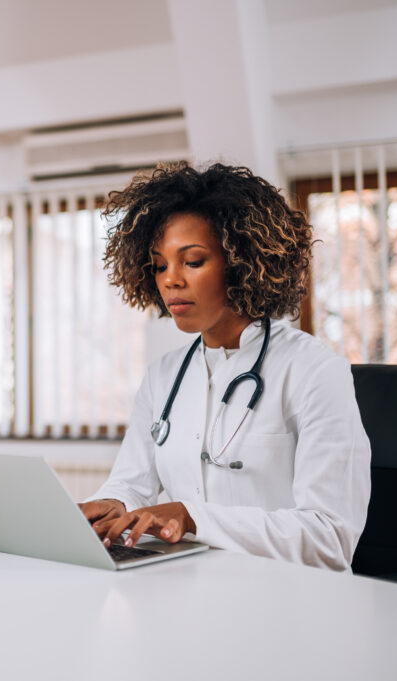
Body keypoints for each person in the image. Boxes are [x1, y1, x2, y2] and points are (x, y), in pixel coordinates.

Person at [79, 162, 371, 571]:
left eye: (193, 261)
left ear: (242, 263)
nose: (170, 280)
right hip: (187, 585)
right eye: (160, 265)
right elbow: (132, 483)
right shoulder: (163, 376)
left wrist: (194, 517)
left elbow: (330, 538)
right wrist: (113, 504)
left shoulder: (313, 370)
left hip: (285, 599)